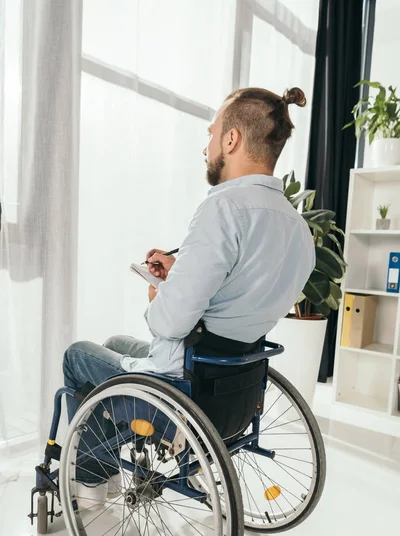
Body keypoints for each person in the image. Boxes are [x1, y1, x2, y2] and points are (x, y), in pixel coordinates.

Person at [63, 86, 316, 508]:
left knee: (78, 355)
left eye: (211, 133)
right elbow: (243, 294)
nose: (206, 147)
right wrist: (178, 275)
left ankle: (91, 478)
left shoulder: (223, 208)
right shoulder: (296, 227)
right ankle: (181, 465)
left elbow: (168, 323)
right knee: (115, 346)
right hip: (235, 385)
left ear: (231, 139)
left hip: (185, 387)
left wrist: (157, 294)